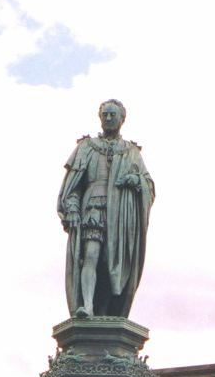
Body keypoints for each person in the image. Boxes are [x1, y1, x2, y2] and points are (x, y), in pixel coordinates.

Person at [58, 99, 155, 319]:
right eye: (105, 115)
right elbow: (72, 187)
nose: (108, 119)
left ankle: (104, 310)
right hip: (93, 207)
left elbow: (148, 184)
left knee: (110, 266)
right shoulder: (86, 147)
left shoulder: (131, 152)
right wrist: (72, 207)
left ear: (122, 119)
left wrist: (136, 179)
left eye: (113, 115)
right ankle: (87, 307)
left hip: (120, 217)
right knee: (90, 255)